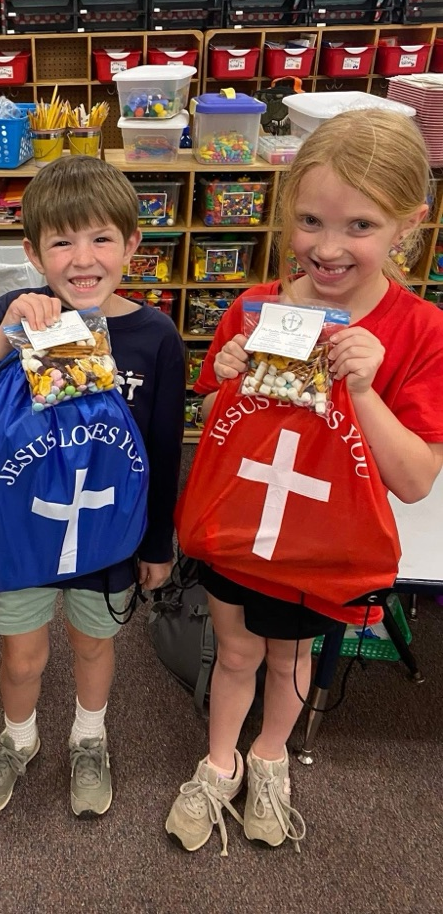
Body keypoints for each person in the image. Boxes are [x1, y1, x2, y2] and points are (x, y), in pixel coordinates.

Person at [166, 108, 443, 856]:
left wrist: (365, 391)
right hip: (240, 527)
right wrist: (224, 381)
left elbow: (416, 479)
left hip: (322, 543)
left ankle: (270, 757)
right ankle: (219, 761)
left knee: (291, 657)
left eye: (361, 226)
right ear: (288, 210)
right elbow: (217, 422)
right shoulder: (254, 308)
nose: (327, 247)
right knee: (234, 652)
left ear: (409, 225)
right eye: (311, 221)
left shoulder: (420, 331)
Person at [0, 154, 185, 818]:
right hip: (22, 532)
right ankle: (19, 738)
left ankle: (89, 737)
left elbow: (163, 449)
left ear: (132, 243)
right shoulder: (10, 315)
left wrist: (157, 544)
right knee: (21, 656)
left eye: (101, 238)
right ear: (32, 251)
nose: (83, 259)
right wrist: (2, 341)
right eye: (61, 242)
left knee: (93, 644)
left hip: (107, 533)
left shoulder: (155, 336)